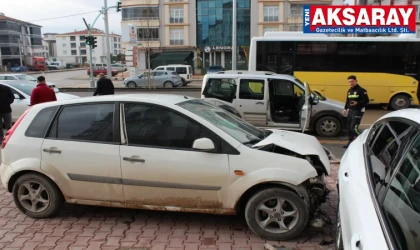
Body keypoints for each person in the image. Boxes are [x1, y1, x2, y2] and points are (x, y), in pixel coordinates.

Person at [343, 75, 369, 148]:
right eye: (349, 82)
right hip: (350, 111)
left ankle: (364, 141)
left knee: (353, 128)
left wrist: (358, 103)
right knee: (348, 128)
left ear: (356, 81)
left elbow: (366, 101)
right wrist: (345, 108)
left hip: (358, 111)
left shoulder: (362, 90)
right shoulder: (349, 91)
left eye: (352, 81)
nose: (351, 83)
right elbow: (347, 101)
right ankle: (350, 142)